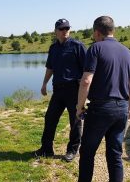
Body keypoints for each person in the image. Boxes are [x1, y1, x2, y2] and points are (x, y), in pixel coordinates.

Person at [76, 16, 130, 182]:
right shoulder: (127, 51)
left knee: (87, 152)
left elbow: (86, 81)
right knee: (115, 154)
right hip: (122, 109)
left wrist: (79, 107)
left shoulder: (95, 49)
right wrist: (129, 108)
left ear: (97, 32)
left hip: (100, 110)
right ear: (113, 30)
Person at [35, 18, 87, 162]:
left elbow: (88, 69)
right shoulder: (53, 48)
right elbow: (50, 67)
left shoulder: (78, 46)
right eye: (62, 29)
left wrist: (85, 89)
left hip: (74, 90)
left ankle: (72, 150)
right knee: (50, 118)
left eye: (67, 29)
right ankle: (46, 149)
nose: (65, 31)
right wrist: (44, 84)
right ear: (56, 31)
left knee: (75, 121)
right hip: (58, 90)